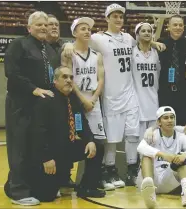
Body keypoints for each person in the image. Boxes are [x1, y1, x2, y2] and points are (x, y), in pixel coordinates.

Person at [63, 4, 165, 188]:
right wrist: (68, 44)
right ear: (107, 18)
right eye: (115, 16)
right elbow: (80, 40)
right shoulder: (99, 38)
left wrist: (154, 42)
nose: (119, 19)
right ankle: (109, 169)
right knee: (112, 137)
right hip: (111, 96)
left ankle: (132, 170)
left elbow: (144, 41)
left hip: (130, 94)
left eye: (121, 16)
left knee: (133, 135)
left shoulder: (128, 38)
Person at [4, 11, 59, 206]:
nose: (43, 27)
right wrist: (33, 89)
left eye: (46, 24)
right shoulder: (19, 44)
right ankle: (18, 192)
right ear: (29, 28)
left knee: (34, 147)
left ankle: (27, 185)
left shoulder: (49, 50)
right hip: (21, 103)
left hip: (40, 106)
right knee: (19, 147)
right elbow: (11, 72)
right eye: (38, 25)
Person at [29, 66, 106, 201]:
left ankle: (87, 187)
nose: (69, 80)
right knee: (46, 196)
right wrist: (46, 158)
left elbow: (81, 123)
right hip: (50, 154)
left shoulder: (73, 99)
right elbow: (38, 132)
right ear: (55, 81)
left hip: (67, 147)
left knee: (97, 147)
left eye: (71, 77)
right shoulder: (46, 100)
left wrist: (89, 140)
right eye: (64, 77)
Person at [60, 17, 113, 190]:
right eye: (82, 28)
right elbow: (67, 79)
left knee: (97, 142)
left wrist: (94, 99)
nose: (87, 31)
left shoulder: (96, 56)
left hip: (93, 100)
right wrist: (83, 100)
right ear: (74, 33)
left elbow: (101, 79)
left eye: (88, 29)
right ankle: (65, 176)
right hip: (76, 100)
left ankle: (92, 180)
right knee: (78, 140)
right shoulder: (69, 53)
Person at [136, 106, 186, 208]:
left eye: (172, 117)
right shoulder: (153, 135)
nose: (170, 120)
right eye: (165, 118)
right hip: (153, 178)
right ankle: (150, 195)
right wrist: (162, 154)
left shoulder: (180, 136)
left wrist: (184, 155)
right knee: (146, 156)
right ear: (159, 122)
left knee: (183, 158)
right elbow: (140, 147)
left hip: (168, 178)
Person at [130, 22, 162, 185]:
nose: (147, 33)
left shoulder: (156, 53)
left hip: (153, 98)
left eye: (149, 31)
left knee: (153, 138)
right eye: (143, 31)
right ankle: (135, 169)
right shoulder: (131, 52)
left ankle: (152, 170)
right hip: (137, 99)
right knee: (138, 139)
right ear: (137, 34)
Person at [157, 15, 186, 126]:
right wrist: (153, 43)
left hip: (184, 91)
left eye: (180, 25)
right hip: (165, 91)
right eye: (175, 25)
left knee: (183, 124)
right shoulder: (160, 43)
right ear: (168, 27)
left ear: (183, 27)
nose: (178, 27)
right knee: (166, 124)